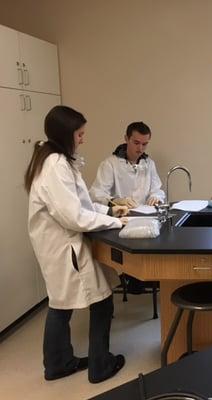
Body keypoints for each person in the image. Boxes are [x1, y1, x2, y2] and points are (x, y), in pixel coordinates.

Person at [25, 105, 128, 383]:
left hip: (56, 244)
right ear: (65, 134)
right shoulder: (55, 165)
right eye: (79, 134)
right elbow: (74, 217)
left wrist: (109, 211)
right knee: (102, 301)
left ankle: (58, 364)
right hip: (66, 246)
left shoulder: (53, 159)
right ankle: (100, 366)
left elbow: (78, 204)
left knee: (60, 304)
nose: (83, 138)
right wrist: (116, 223)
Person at [89, 121, 165, 208]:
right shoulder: (110, 164)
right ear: (126, 138)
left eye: (144, 144)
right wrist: (115, 201)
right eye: (136, 143)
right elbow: (96, 194)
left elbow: (156, 190)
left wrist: (156, 197)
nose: (140, 148)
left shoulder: (149, 164)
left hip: (143, 214)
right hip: (120, 215)